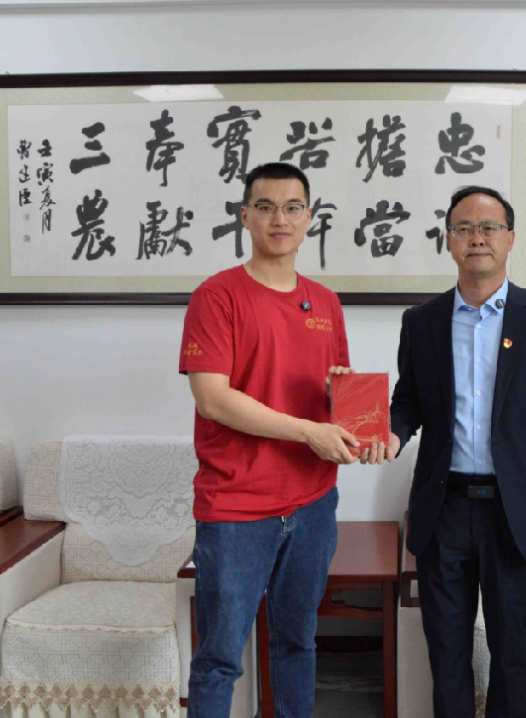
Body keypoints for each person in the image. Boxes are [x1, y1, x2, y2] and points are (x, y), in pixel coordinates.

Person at [179, 162, 385, 717]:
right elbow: (212, 398)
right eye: (266, 207)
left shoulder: (326, 302)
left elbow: (331, 395)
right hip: (237, 507)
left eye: (293, 208)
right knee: (219, 658)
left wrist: (341, 402)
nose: (280, 219)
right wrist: (308, 431)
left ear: (309, 218)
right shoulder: (216, 296)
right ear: (244, 216)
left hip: (313, 504)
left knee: (298, 643)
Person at [387, 186, 526, 718]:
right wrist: (391, 434)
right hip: (443, 510)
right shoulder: (421, 322)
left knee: (510, 653)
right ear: (448, 240)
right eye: (464, 228)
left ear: (510, 238)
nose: (477, 238)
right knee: (447, 652)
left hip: (516, 512)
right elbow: (408, 402)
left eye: (489, 227)